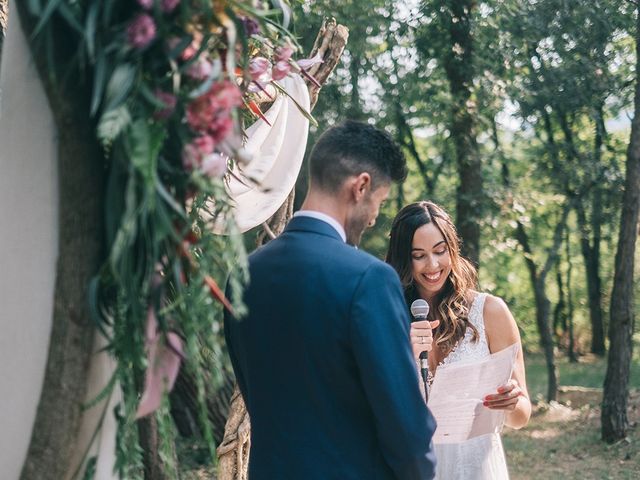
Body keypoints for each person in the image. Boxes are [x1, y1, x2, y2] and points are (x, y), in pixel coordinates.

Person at [224, 121, 437, 479]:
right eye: (379, 203)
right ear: (361, 186)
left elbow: (255, 391)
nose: (373, 219)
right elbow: (406, 427)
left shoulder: (244, 275)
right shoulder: (368, 279)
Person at [386, 201, 531, 480]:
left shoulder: (490, 312)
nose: (433, 265)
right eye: (419, 255)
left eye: (440, 251)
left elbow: (521, 416)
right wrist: (402, 355)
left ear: (453, 248)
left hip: (475, 467)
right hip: (409, 467)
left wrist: (511, 403)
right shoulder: (386, 316)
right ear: (404, 258)